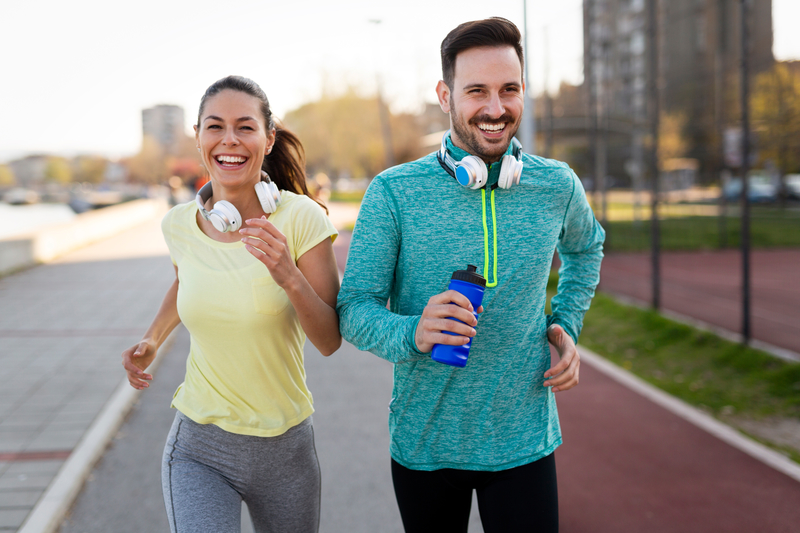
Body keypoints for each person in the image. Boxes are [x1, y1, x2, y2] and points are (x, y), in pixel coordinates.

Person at [337, 17, 604, 533]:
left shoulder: (556, 185)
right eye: (476, 91)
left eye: (509, 90)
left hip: (524, 442)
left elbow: (586, 247)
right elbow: (354, 309)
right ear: (445, 95)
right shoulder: (394, 192)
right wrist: (411, 331)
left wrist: (565, 324)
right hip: (425, 446)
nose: (495, 109)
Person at [121, 75, 340, 533]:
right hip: (199, 447)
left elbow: (329, 340)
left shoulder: (301, 219)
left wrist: (288, 275)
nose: (229, 140)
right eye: (215, 127)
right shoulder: (178, 225)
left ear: (268, 138)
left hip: (286, 449)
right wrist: (152, 338)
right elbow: (184, 284)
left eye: (245, 126)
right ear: (199, 138)